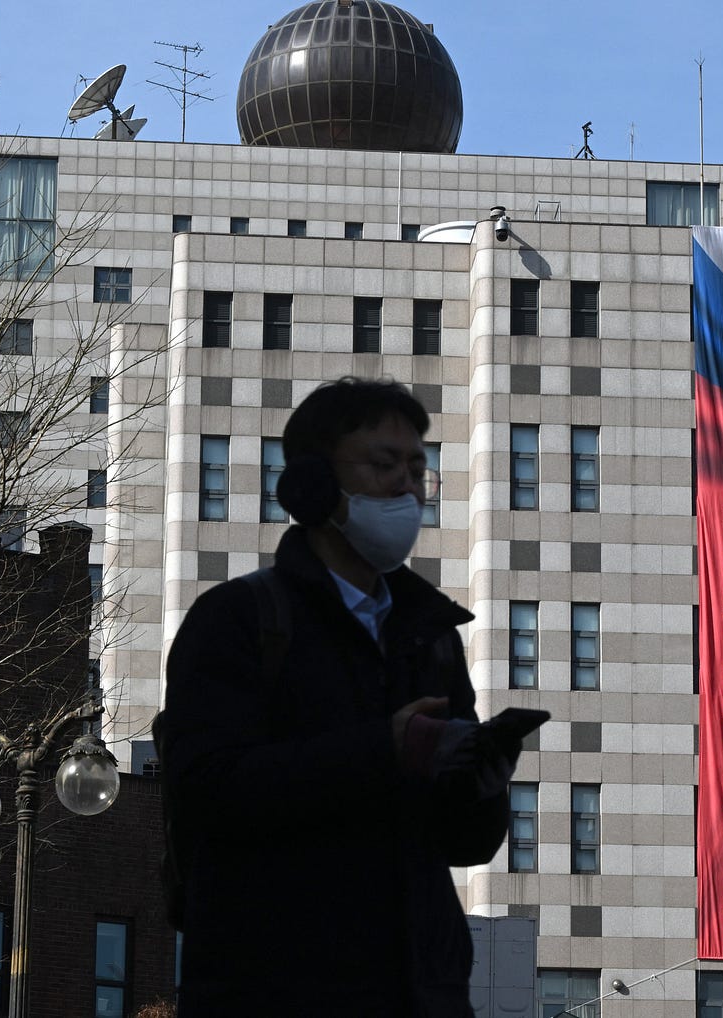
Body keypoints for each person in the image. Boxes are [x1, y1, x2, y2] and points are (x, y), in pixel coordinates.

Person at [160, 378, 514, 1016]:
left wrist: (480, 782)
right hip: (275, 991)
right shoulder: (239, 619)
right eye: (383, 465)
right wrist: (385, 751)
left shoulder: (430, 637)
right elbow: (205, 789)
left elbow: (463, 845)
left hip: (419, 995)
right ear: (313, 486)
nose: (407, 484)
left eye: (417, 467)